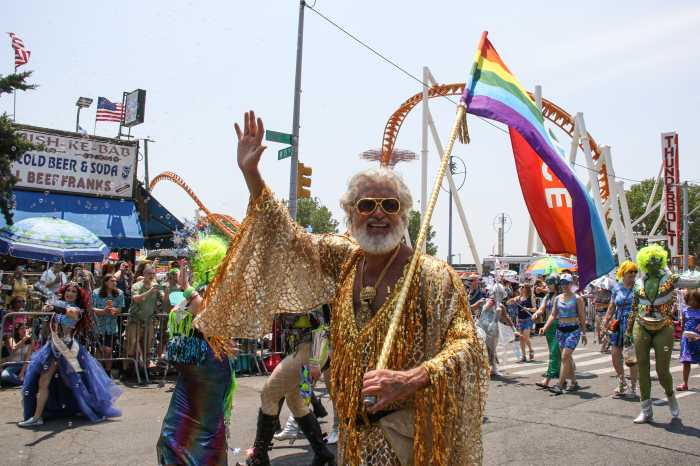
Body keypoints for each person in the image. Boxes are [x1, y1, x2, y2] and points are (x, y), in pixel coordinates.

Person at [194, 111, 489, 466]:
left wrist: (412, 378)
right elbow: (288, 236)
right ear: (351, 214)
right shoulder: (346, 259)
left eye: (389, 205)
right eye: (367, 205)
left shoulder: (431, 275)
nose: (378, 213)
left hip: (406, 443)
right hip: (351, 441)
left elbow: (468, 346)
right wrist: (252, 174)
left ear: (404, 214)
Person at [157, 236, 237, 466]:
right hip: (193, 370)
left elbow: (205, 315)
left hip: (209, 367)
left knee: (204, 432)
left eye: (196, 257)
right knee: (174, 433)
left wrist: (186, 288)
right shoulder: (198, 287)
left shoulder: (217, 287)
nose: (190, 262)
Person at [18, 282, 121, 427]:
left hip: (67, 350)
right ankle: (37, 417)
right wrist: (47, 308)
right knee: (44, 380)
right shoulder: (58, 303)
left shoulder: (77, 309)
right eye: (68, 290)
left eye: (74, 291)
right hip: (52, 348)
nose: (70, 293)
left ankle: (92, 408)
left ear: (78, 296)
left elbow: (70, 313)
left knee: (75, 382)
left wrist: (54, 307)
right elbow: (48, 311)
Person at [249, 308, 334, 466]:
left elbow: (322, 325)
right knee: (296, 402)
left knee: (269, 394)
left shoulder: (306, 289)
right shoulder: (290, 293)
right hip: (302, 350)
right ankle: (323, 453)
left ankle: (259, 457)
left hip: (308, 351)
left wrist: (315, 361)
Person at [625, 245, 700, 423]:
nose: (652, 262)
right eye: (648, 260)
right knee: (642, 367)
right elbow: (634, 308)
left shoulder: (671, 278)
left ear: (660, 261)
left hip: (664, 326)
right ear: (644, 262)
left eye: (655, 260)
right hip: (641, 325)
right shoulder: (638, 282)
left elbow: (695, 282)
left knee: (662, 370)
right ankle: (646, 409)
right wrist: (628, 331)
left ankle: (670, 395)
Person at [541, 273, 588, 394]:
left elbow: (582, 317)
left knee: (565, 357)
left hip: (573, 330)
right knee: (567, 358)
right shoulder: (558, 298)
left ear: (571, 284)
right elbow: (553, 314)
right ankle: (574, 382)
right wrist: (545, 327)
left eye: (567, 283)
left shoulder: (577, 298)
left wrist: (584, 333)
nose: (565, 285)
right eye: (562, 283)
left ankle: (560, 384)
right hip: (560, 330)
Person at [603, 261, 638, 398]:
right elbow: (612, 306)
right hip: (618, 324)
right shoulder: (616, 288)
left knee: (630, 358)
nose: (633, 274)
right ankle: (622, 381)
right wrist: (606, 321)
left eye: (635, 272)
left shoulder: (638, 288)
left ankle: (633, 387)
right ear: (623, 273)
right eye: (630, 271)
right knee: (615, 354)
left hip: (632, 324)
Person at [126, 265, 163, 374]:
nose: (151, 276)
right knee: (132, 344)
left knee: (147, 346)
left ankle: (146, 371)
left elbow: (163, 300)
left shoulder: (156, 286)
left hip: (149, 321)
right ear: (144, 274)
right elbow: (136, 299)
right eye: (149, 274)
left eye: (153, 274)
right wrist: (151, 291)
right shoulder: (136, 286)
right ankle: (130, 369)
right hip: (135, 320)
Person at [531, 274, 561, 390]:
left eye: (550, 283)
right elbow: (542, 308)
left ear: (556, 284)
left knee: (554, 353)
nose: (548, 285)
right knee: (558, 354)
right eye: (547, 283)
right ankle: (570, 376)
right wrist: (536, 313)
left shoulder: (561, 296)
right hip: (549, 327)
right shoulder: (548, 296)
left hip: (559, 325)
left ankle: (547, 379)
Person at [92, 273, 125, 376]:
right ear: (105, 282)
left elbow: (120, 308)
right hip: (99, 326)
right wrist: (103, 311)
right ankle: (98, 372)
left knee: (109, 350)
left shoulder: (119, 293)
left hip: (111, 327)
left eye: (116, 281)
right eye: (112, 281)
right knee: (99, 350)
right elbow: (92, 308)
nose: (115, 283)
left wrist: (115, 310)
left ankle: (108, 372)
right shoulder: (96, 292)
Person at [676, 289, 700, 392]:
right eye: (690, 300)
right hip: (686, 339)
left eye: (695, 300)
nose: (693, 302)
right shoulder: (685, 310)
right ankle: (685, 383)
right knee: (686, 362)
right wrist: (682, 336)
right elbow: (683, 325)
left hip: (698, 339)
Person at [509, 283, 535, 362]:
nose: (520, 288)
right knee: (521, 338)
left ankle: (531, 349)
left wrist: (528, 309)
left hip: (527, 320)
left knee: (525, 337)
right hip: (520, 320)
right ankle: (523, 356)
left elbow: (535, 309)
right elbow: (508, 302)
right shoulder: (518, 298)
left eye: (522, 287)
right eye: (520, 287)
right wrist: (511, 300)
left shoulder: (530, 298)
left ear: (526, 288)